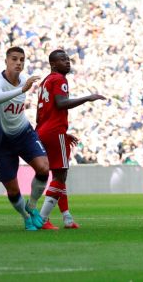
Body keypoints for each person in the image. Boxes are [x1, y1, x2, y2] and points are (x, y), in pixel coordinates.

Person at [35, 50, 106, 230]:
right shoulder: (59, 79)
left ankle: (67, 217)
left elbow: (43, 112)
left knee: (59, 175)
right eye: (62, 60)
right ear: (53, 64)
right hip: (53, 130)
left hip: (44, 130)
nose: (67, 62)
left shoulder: (46, 81)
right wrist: (87, 98)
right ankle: (41, 219)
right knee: (60, 175)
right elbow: (61, 103)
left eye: (67, 59)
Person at [0, 47, 48, 230]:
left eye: (22, 59)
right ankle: (25, 216)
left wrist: (24, 87)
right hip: (1, 141)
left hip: (23, 133)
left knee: (44, 168)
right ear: (6, 61)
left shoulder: (25, 79)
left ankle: (32, 205)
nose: (18, 63)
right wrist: (22, 89)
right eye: (14, 59)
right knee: (12, 189)